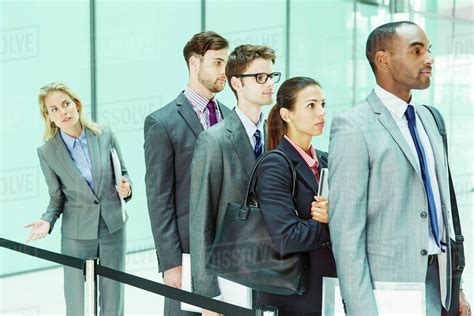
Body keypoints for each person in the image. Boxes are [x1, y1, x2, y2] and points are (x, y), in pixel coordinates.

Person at [328, 21, 468, 315]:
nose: (429, 59)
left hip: (440, 284)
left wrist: (458, 288)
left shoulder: (430, 119)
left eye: (429, 50)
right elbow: (346, 234)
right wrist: (362, 310)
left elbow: (445, 211)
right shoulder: (353, 126)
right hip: (389, 291)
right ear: (383, 60)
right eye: (416, 51)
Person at [25, 82, 132, 316]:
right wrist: (47, 221)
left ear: (76, 104)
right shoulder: (47, 152)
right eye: (54, 109)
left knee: (114, 298)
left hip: (112, 227)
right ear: (48, 116)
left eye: (65, 104)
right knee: (77, 303)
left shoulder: (103, 134)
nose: (63, 112)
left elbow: (123, 173)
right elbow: (56, 198)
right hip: (76, 234)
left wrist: (127, 187)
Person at [144, 31, 230, 316]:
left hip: (232, 251)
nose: (224, 71)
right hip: (186, 251)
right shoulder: (162, 122)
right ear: (195, 63)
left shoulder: (232, 117)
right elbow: (159, 198)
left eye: (226, 63)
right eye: (217, 62)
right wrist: (170, 262)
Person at [189, 44, 279, 316]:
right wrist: (207, 295)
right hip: (231, 273)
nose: (268, 84)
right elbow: (200, 219)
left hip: (276, 271)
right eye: (259, 77)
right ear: (236, 83)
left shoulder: (277, 134)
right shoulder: (213, 140)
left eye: (271, 76)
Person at [254, 76, 336, 315]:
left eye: (323, 104)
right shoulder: (274, 165)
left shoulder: (326, 160)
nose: (321, 112)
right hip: (292, 297)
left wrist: (335, 215)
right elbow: (286, 237)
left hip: (326, 287)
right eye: (311, 105)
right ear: (286, 114)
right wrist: (332, 222)